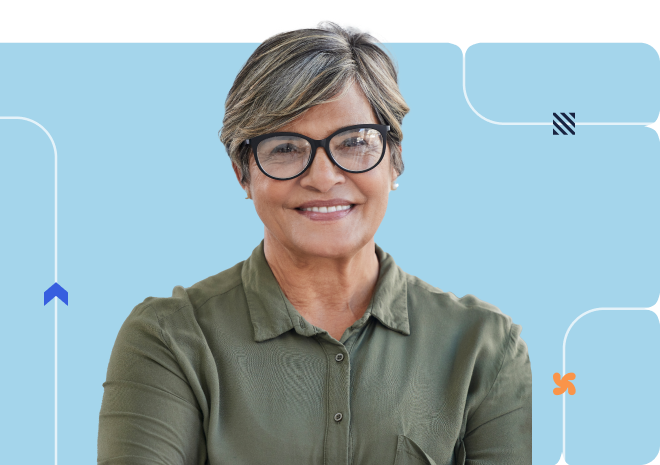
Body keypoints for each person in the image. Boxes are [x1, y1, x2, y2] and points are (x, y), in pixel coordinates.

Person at [97, 19, 532, 465]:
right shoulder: (170, 339)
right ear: (242, 174)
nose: (323, 178)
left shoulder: (486, 347)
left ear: (395, 161)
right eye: (285, 147)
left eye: (355, 142)